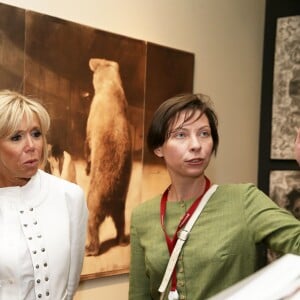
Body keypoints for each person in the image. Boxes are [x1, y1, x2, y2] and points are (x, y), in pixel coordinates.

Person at [129, 93, 300, 300]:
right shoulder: (143, 215)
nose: (196, 145)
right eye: (181, 135)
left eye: (204, 133)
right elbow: (139, 295)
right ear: (158, 148)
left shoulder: (244, 200)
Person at [0, 90, 88, 300]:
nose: (32, 146)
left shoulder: (70, 197)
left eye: (36, 133)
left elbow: (70, 285)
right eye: (16, 137)